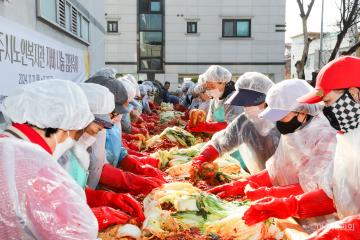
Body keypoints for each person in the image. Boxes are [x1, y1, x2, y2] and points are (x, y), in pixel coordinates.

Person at [0, 79, 98, 239]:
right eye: (76, 133)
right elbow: (80, 234)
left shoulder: (6, 142)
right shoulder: (39, 171)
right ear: (62, 129)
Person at [233, 79, 337, 228]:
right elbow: (277, 169)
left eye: (281, 117)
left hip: (321, 224)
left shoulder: (327, 136)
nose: (278, 123)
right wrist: (248, 183)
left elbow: (316, 189)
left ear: (302, 112)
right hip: (289, 215)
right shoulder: (295, 130)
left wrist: (270, 194)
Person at [296, 56, 360, 239]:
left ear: (355, 94)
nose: (326, 111)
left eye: (328, 102)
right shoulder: (348, 136)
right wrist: (290, 205)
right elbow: (333, 191)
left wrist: (347, 228)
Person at [86, 76, 165, 195]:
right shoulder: (92, 126)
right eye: (113, 112)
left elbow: (110, 153)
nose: (115, 116)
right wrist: (129, 181)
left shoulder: (103, 125)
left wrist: (136, 167)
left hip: (99, 183)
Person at [191, 72, 281, 176]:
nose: (247, 108)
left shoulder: (284, 122)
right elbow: (220, 143)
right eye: (244, 103)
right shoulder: (244, 121)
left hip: (290, 185)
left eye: (252, 102)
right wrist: (202, 158)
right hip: (257, 179)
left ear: (267, 99)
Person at [187, 65, 243, 134]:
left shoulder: (234, 98)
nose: (209, 90)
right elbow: (210, 120)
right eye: (207, 88)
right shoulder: (214, 99)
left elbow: (235, 126)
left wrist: (207, 127)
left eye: (212, 86)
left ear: (223, 83)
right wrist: (200, 125)